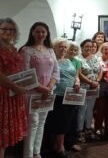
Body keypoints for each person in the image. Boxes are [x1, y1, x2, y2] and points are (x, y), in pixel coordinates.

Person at [20, 22, 60, 158]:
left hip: (48, 91)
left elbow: (56, 71)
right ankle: (28, 154)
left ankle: (37, 152)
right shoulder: (26, 50)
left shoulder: (50, 50)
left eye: (43, 31)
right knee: (33, 123)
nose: (40, 34)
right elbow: (26, 73)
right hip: (32, 91)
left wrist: (49, 88)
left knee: (42, 122)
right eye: (37, 31)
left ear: (47, 33)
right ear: (32, 32)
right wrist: (40, 88)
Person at [45, 38, 80, 158]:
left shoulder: (68, 60)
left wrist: (77, 82)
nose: (63, 49)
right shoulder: (51, 60)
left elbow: (75, 75)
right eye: (60, 46)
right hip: (57, 95)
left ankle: (59, 145)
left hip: (70, 95)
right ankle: (59, 148)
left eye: (65, 47)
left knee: (67, 120)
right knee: (59, 121)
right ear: (54, 47)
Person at [0, 18, 27, 158]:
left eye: (11, 29)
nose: (8, 32)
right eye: (4, 29)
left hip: (14, 93)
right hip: (3, 94)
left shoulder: (13, 48)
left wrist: (22, 85)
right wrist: (15, 87)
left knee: (5, 136)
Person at [76, 39, 101, 143]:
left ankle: (88, 130)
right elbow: (79, 74)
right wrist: (91, 82)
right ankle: (79, 132)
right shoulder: (78, 58)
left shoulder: (95, 58)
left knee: (90, 109)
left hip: (94, 88)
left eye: (91, 46)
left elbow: (100, 71)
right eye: (86, 46)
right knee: (81, 109)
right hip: (83, 87)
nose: (89, 48)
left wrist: (97, 81)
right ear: (82, 47)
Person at [94, 42, 108, 139]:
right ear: (101, 50)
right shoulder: (97, 60)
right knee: (100, 109)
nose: (107, 51)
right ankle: (98, 128)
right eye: (105, 49)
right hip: (100, 86)